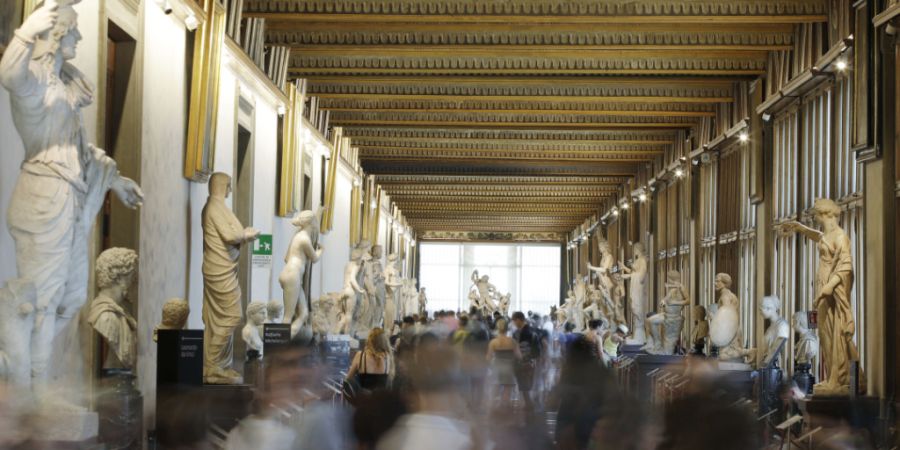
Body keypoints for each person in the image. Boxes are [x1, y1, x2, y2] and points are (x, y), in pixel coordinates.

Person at [486, 319, 521, 409]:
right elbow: (519, 356)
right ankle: (504, 410)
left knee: (495, 388)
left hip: (496, 367)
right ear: (507, 328)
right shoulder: (512, 341)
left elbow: (488, 358)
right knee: (507, 390)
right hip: (509, 367)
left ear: (497, 328)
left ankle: (493, 409)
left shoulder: (493, 342)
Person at [511, 311, 541, 413]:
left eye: (514, 321)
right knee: (527, 388)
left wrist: (522, 358)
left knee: (524, 389)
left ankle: (529, 409)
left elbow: (514, 350)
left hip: (522, 364)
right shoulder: (534, 332)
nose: (514, 324)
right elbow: (537, 352)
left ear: (519, 320)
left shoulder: (518, 334)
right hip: (531, 363)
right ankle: (529, 409)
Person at [346, 328, 393, 392]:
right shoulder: (387, 357)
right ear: (384, 341)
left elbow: (348, 378)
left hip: (364, 400)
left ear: (369, 340)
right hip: (382, 399)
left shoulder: (360, 355)